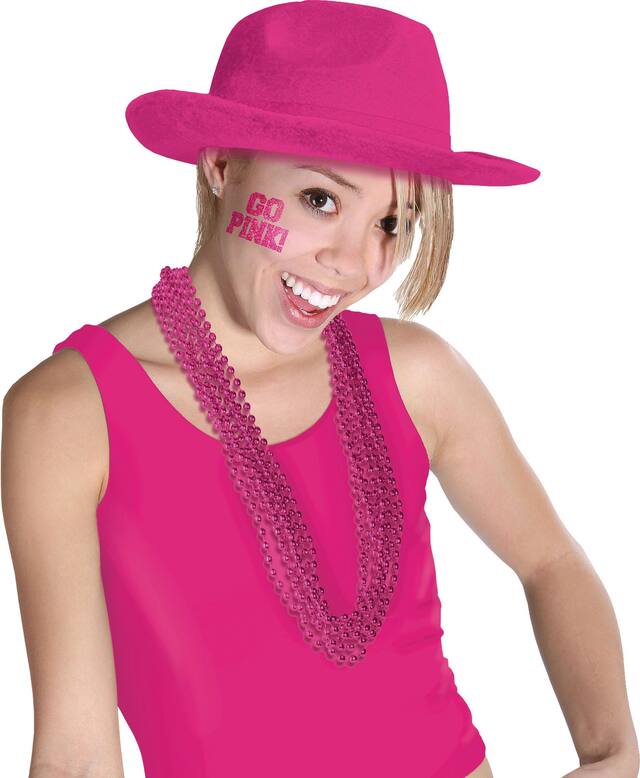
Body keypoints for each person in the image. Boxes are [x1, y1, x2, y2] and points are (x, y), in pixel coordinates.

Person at [2, 3, 638, 778]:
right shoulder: (69, 415)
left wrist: (615, 752)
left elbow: (550, 562)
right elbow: (74, 756)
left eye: (393, 223)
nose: (356, 263)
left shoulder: (417, 374)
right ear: (222, 165)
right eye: (320, 201)